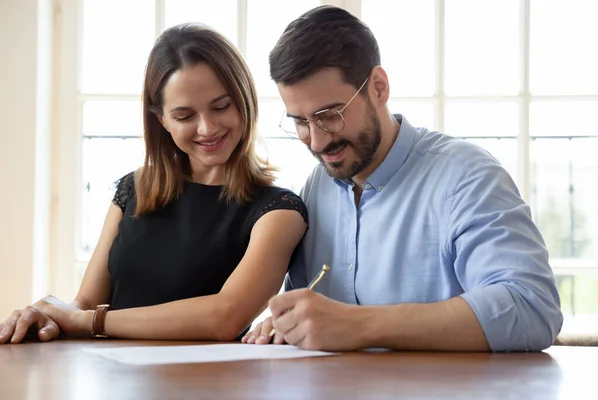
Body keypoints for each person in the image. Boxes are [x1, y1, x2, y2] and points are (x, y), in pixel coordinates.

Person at [242, 5, 563, 352]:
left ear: (378, 88)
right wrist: (285, 322)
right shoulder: (317, 187)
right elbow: (310, 312)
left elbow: (532, 308)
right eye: (301, 122)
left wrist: (361, 325)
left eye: (330, 115)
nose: (317, 142)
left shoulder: (466, 177)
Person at [0, 24, 307, 344]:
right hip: (110, 381)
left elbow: (224, 317)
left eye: (221, 106)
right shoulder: (134, 189)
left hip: (208, 385)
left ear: (245, 100)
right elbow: (85, 304)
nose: (207, 127)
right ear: (162, 120)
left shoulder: (279, 211)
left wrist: (86, 319)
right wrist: (46, 318)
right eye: (185, 116)